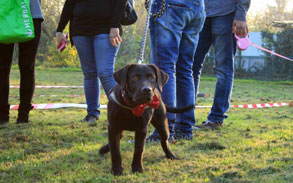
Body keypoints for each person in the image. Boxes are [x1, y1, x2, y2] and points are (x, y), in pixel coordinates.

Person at [56, 0, 127, 123]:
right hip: (80, 29)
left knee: (105, 73)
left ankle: (125, 111)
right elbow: (69, 3)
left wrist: (115, 25)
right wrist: (59, 29)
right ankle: (92, 114)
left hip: (106, 29)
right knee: (89, 73)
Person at [147, 0, 206, 141]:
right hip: (197, 7)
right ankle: (185, 128)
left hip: (170, 6)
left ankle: (165, 129)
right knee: (185, 69)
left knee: (164, 69)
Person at [193, 0, 251, 129]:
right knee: (190, 67)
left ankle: (215, 118)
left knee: (223, 69)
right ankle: (185, 118)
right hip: (198, 12)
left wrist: (241, 15)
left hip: (226, 14)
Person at [0, 0, 43, 125]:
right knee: (2, 68)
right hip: (4, 13)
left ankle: (23, 115)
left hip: (31, 14)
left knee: (27, 66)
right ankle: (2, 115)